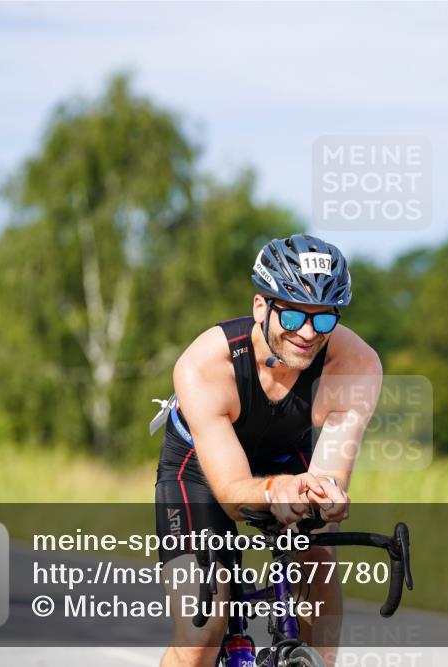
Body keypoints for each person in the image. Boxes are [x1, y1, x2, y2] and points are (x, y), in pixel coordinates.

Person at [152, 234, 382, 667]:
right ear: (262, 307)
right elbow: (232, 494)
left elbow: (330, 474)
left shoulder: (356, 365)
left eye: (324, 320)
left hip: (286, 456)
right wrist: (276, 491)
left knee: (318, 551)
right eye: (293, 316)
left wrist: (326, 499)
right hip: (198, 468)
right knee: (202, 632)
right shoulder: (206, 364)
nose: (308, 334)